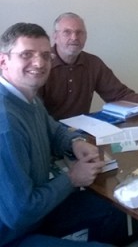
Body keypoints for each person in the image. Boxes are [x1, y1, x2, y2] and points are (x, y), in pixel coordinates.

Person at [0, 23, 128, 246]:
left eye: (45, 55)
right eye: (26, 55)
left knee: (111, 209)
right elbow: (20, 213)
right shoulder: (6, 124)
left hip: (36, 212)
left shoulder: (27, 97)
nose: (39, 63)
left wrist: (75, 142)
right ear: (3, 62)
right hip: (13, 232)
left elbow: (54, 129)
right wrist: (71, 179)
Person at [38, 12, 138, 120]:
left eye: (79, 32)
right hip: (49, 133)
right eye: (67, 32)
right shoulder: (40, 64)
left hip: (82, 130)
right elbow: (35, 111)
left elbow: (118, 94)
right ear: (55, 36)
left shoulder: (93, 63)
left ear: (86, 37)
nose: (74, 37)